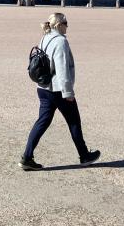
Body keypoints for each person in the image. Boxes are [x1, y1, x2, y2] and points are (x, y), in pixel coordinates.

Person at [19, 13, 100, 171]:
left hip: (43, 88)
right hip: (57, 90)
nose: (67, 26)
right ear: (59, 25)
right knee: (74, 121)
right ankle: (84, 156)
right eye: (65, 23)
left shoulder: (45, 37)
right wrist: (68, 93)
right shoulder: (61, 42)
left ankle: (27, 157)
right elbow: (62, 69)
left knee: (42, 122)